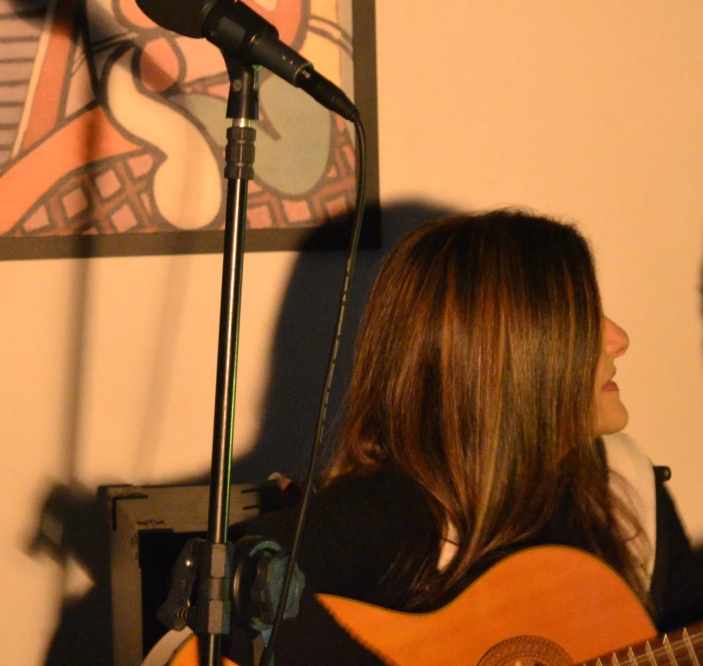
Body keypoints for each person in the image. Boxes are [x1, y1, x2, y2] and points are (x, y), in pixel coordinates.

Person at [234, 210, 703, 664]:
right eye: (583, 317)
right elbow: (235, 577)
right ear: (517, 352)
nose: (619, 339)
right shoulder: (405, 505)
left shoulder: (625, 486)